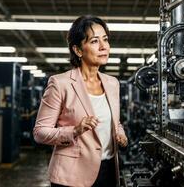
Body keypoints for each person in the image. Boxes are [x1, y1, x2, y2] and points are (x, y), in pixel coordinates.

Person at [33, 15, 128, 187]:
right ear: (78, 50)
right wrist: (74, 131)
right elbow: (40, 132)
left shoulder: (112, 83)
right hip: (72, 175)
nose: (103, 46)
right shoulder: (60, 83)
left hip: (109, 171)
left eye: (105, 40)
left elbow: (115, 122)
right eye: (94, 41)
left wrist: (120, 134)